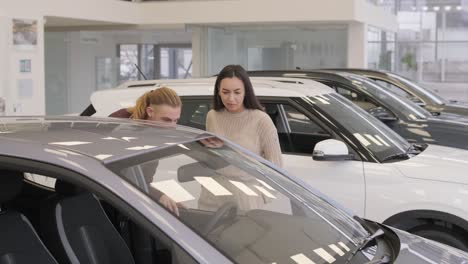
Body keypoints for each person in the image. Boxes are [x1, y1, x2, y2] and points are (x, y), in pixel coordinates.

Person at [109, 86, 182, 215]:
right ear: (150, 111)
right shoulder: (120, 125)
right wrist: (159, 196)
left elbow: (143, 180)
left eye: (176, 120)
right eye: (166, 120)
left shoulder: (157, 135)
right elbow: (122, 177)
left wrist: (161, 197)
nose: (172, 127)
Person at [206, 64, 283, 167]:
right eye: (225, 92)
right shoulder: (212, 116)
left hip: (251, 182)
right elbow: (210, 159)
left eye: (237, 92)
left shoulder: (261, 120)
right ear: (218, 91)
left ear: (245, 91)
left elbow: (277, 167)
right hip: (217, 182)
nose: (231, 98)